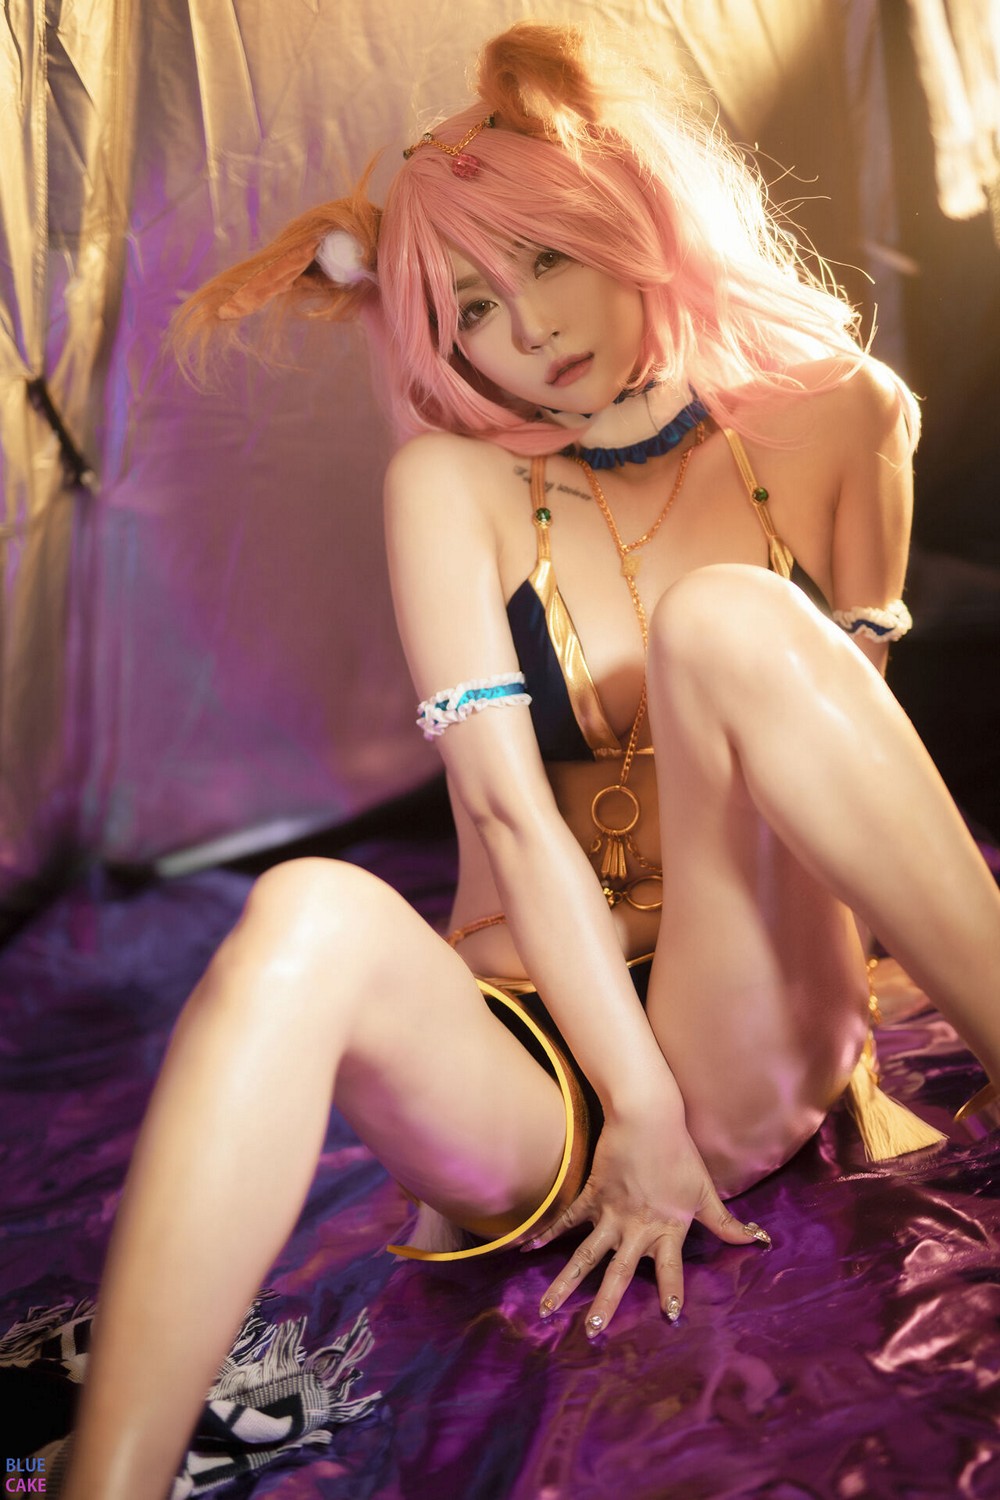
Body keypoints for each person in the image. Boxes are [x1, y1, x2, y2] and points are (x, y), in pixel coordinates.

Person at [64, 21, 1000, 1500]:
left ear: (629, 216)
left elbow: (849, 767)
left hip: (745, 1008)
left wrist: (707, 1072)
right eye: (474, 309)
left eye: (550, 259)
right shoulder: (453, 485)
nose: (532, 330)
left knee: (729, 624)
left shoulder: (841, 416)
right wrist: (632, 1114)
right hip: (538, 1066)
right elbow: (502, 808)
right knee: (305, 906)